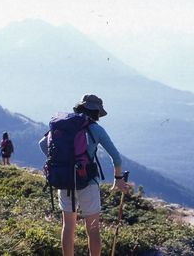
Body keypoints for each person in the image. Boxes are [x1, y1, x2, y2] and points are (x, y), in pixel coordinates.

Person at [39, 94, 129, 256]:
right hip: (88, 182)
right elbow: (116, 157)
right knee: (93, 229)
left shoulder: (64, 125)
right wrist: (117, 178)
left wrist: (61, 163)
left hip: (65, 180)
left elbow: (42, 144)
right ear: (96, 112)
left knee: (68, 227)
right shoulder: (95, 129)